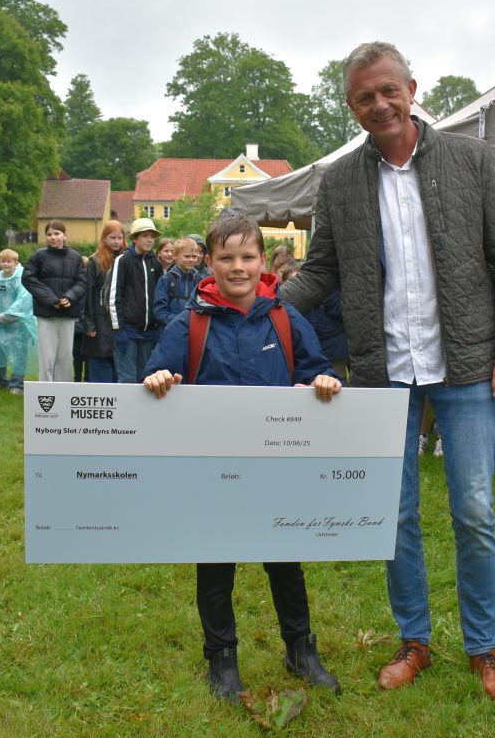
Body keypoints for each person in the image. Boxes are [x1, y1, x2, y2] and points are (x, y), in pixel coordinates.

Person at [279, 42, 495, 700]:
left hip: (467, 363)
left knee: (473, 509)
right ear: (352, 106)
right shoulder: (338, 182)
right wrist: (260, 304)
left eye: (389, 90)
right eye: (365, 97)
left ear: (411, 89)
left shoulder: (473, 160)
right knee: (392, 514)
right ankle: (414, 639)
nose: (380, 104)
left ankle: (484, 647)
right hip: (382, 369)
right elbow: (323, 269)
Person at [142, 213, 342, 703]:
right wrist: (158, 381)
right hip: (211, 470)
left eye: (247, 257)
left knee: (285, 561)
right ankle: (222, 658)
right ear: (209, 262)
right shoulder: (189, 323)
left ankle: (300, 648)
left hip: (276, 467)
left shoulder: (285, 318)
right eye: (226, 257)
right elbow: (153, 376)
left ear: (261, 262)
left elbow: (315, 370)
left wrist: (323, 382)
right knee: (215, 564)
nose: (238, 267)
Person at [22, 220, 86, 382]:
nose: (52, 237)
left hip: (68, 314)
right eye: (49, 234)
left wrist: (70, 297)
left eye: (56, 233)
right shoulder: (38, 256)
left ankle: (63, 394)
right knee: (47, 357)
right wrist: (51, 299)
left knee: (65, 357)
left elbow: (82, 281)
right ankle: (46, 395)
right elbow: (28, 278)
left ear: (65, 235)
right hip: (46, 314)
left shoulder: (75, 257)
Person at [109, 217, 163, 382]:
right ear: (134, 238)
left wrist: (157, 326)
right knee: (127, 379)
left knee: (146, 379)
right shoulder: (123, 260)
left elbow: (160, 295)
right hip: (128, 332)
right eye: (145, 235)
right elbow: (113, 297)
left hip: (148, 332)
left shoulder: (155, 262)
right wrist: (118, 329)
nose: (149, 240)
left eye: (152, 236)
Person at [0, 249, 37, 395]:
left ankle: (17, 384)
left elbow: (22, 304)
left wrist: (2, 317)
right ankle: (0, 380)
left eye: (9, 261)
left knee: (18, 354)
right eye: (3, 261)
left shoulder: (21, 280)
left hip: (17, 326)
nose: (5, 264)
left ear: (16, 262)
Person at [81, 221, 124, 383]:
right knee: (100, 358)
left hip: (118, 317)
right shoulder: (95, 261)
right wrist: (89, 324)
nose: (116, 241)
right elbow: (89, 294)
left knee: (117, 359)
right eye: (112, 237)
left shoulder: (125, 258)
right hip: (99, 318)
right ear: (104, 238)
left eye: (120, 238)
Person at [153, 236, 202, 327]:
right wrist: (181, 321)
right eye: (187, 256)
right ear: (175, 256)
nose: (191, 260)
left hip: (193, 331)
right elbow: (159, 311)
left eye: (194, 256)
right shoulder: (166, 280)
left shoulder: (200, 280)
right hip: (170, 331)